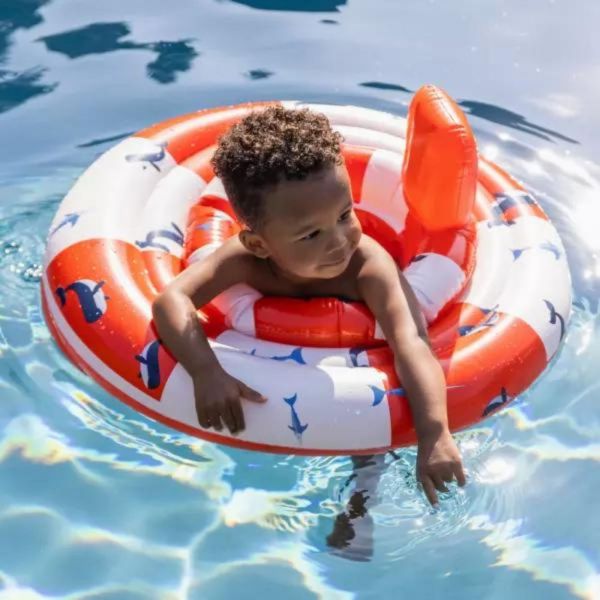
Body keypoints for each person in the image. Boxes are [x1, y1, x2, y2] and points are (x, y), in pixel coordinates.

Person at [152, 106, 466, 536]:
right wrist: (206, 371)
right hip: (273, 374)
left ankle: (358, 508)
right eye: (310, 235)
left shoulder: (368, 266)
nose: (339, 242)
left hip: (358, 371)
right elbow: (171, 300)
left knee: (373, 437)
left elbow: (411, 342)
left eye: (344, 215)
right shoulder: (245, 260)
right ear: (259, 243)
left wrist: (434, 433)